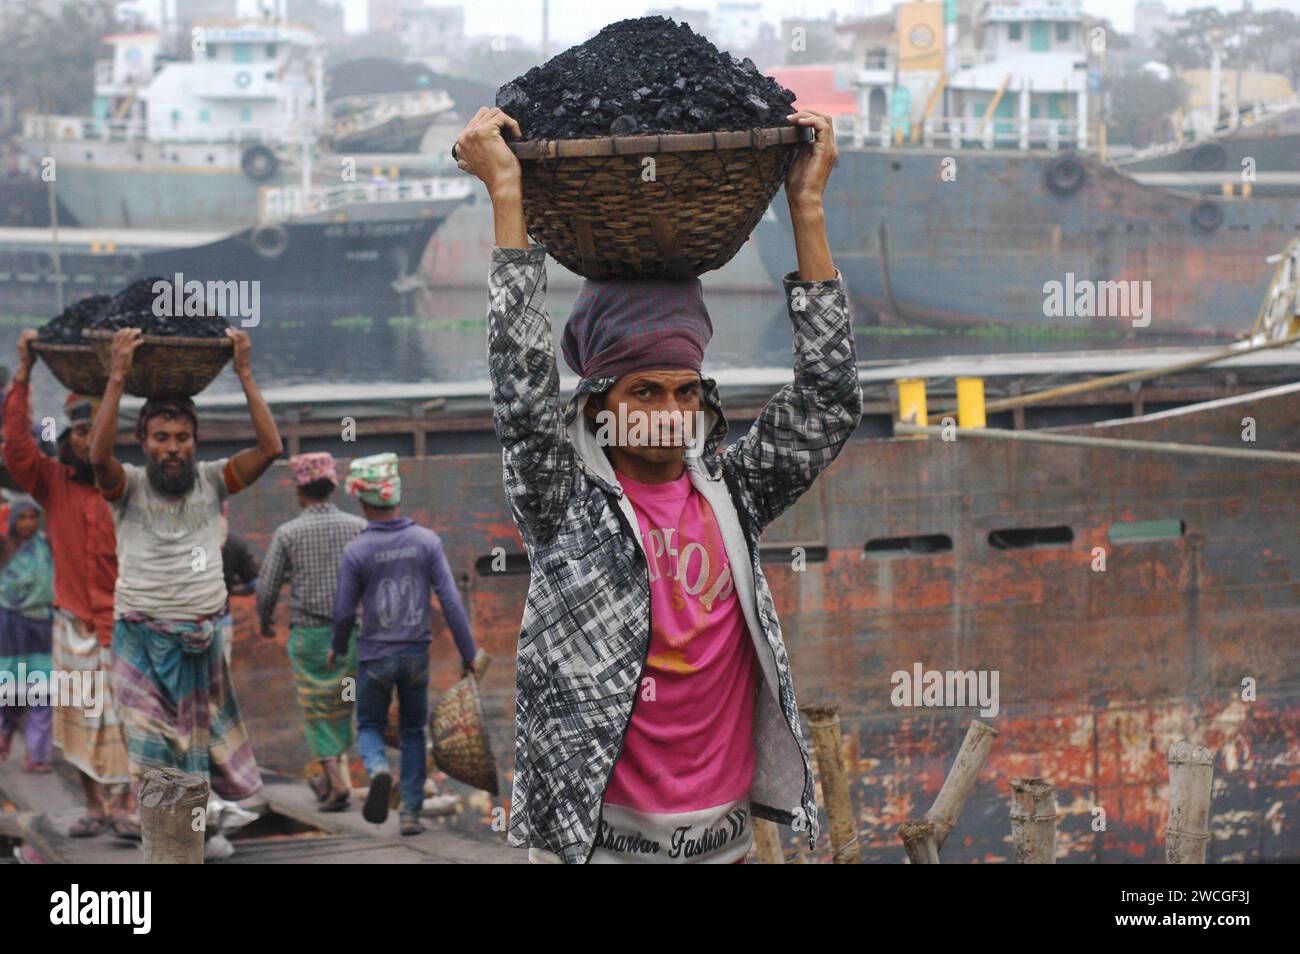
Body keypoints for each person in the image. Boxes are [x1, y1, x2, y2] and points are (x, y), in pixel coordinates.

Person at [455, 105, 861, 863]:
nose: (670, 415)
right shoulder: (565, 504)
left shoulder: (732, 495)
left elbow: (828, 401)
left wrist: (806, 205)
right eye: (644, 393)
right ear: (598, 401)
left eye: (684, 392)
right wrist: (505, 194)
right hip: (598, 844)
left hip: (724, 838)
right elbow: (521, 385)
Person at [89, 326, 282, 812]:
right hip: (139, 635)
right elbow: (97, 456)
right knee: (153, 753)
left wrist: (244, 373)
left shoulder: (214, 481)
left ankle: (196, 832)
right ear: (143, 440)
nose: (172, 447)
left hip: (202, 638)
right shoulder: (127, 487)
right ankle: (169, 840)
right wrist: (116, 378)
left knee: (195, 751)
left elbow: (271, 450)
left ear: (195, 440)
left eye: (182, 437)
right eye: (161, 438)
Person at [3, 335, 133, 838]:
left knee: (123, 720)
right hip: (72, 622)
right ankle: (94, 806)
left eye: (94, 430)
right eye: (79, 430)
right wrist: (23, 372)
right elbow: (15, 445)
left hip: (122, 622)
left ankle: (123, 805)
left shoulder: (124, 484)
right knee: (78, 721)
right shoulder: (52, 481)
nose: (85, 440)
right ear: (70, 436)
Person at [329, 452, 479, 836]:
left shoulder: (357, 550)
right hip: (416, 655)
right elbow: (450, 601)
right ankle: (410, 814)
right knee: (414, 731)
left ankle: (378, 768)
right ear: (396, 494)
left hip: (375, 658)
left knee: (368, 725)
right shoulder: (426, 541)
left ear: (362, 501)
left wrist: (336, 646)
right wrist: (469, 654)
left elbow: (344, 611)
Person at [256, 451, 366, 812]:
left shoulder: (287, 533)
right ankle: (330, 776)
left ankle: (334, 779)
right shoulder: (357, 526)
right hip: (352, 633)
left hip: (309, 634)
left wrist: (265, 621)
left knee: (316, 707)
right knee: (343, 704)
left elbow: (268, 586)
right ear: (333, 486)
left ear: (300, 491)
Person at [0, 501, 55, 772]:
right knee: (8, 690)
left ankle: (38, 755)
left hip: (42, 627)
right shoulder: (4, 547)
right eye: (22, 517)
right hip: (8, 627)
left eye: (34, 516)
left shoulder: (46, 548)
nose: (29, 523)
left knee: (42, 691)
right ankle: (4, 733)